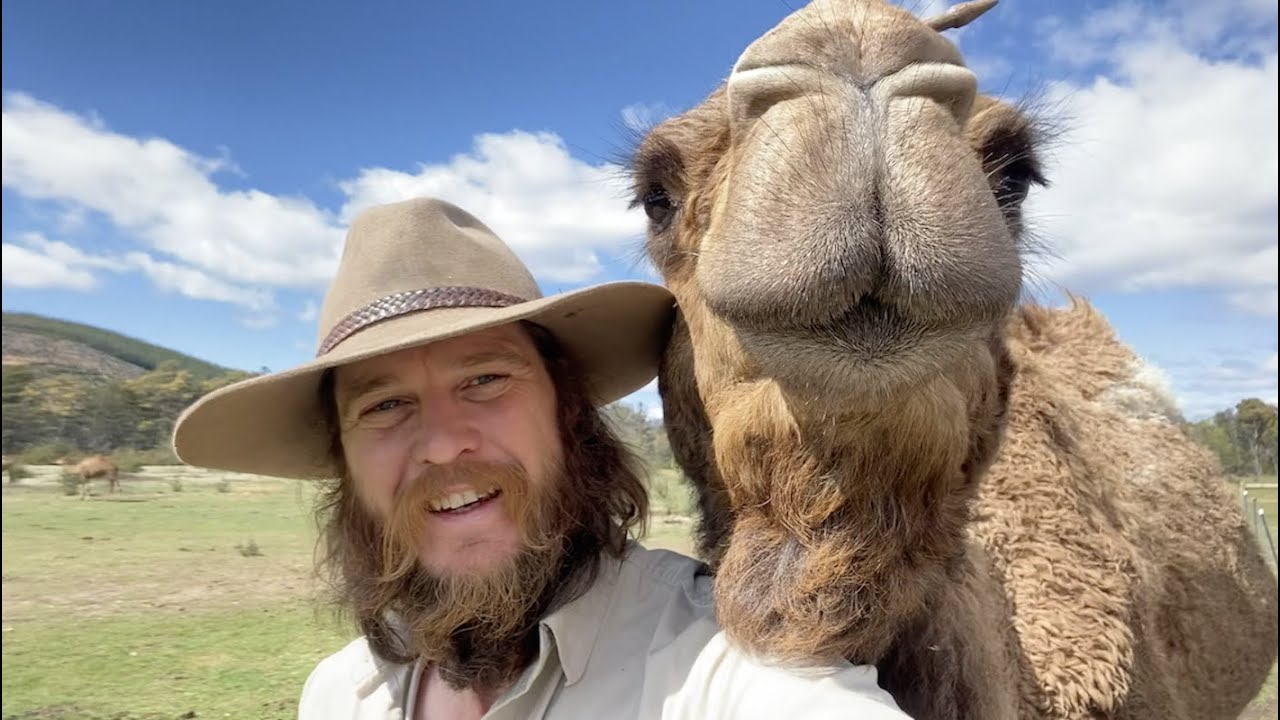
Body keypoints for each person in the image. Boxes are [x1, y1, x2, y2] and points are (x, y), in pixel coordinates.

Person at [172, 197, 911, 719]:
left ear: (569, 414)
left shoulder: (715, 667)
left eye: (485, 380)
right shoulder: (337, 697)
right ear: (344, 465)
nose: (442, 443)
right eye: (384, 405)